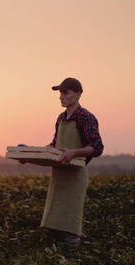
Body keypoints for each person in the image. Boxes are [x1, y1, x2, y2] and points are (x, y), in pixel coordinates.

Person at [41, 78, 104, 246]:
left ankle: (75, 253)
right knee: (54, 222)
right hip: (59, 174)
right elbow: (55, 145)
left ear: (78, 94)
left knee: (70, 222)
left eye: (66, 93)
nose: (61, 97)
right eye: (60, 93)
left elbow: (97, 147)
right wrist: (34, 154)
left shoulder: (86, 117)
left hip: (75, 175)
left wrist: (74, 152)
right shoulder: (61, 118)